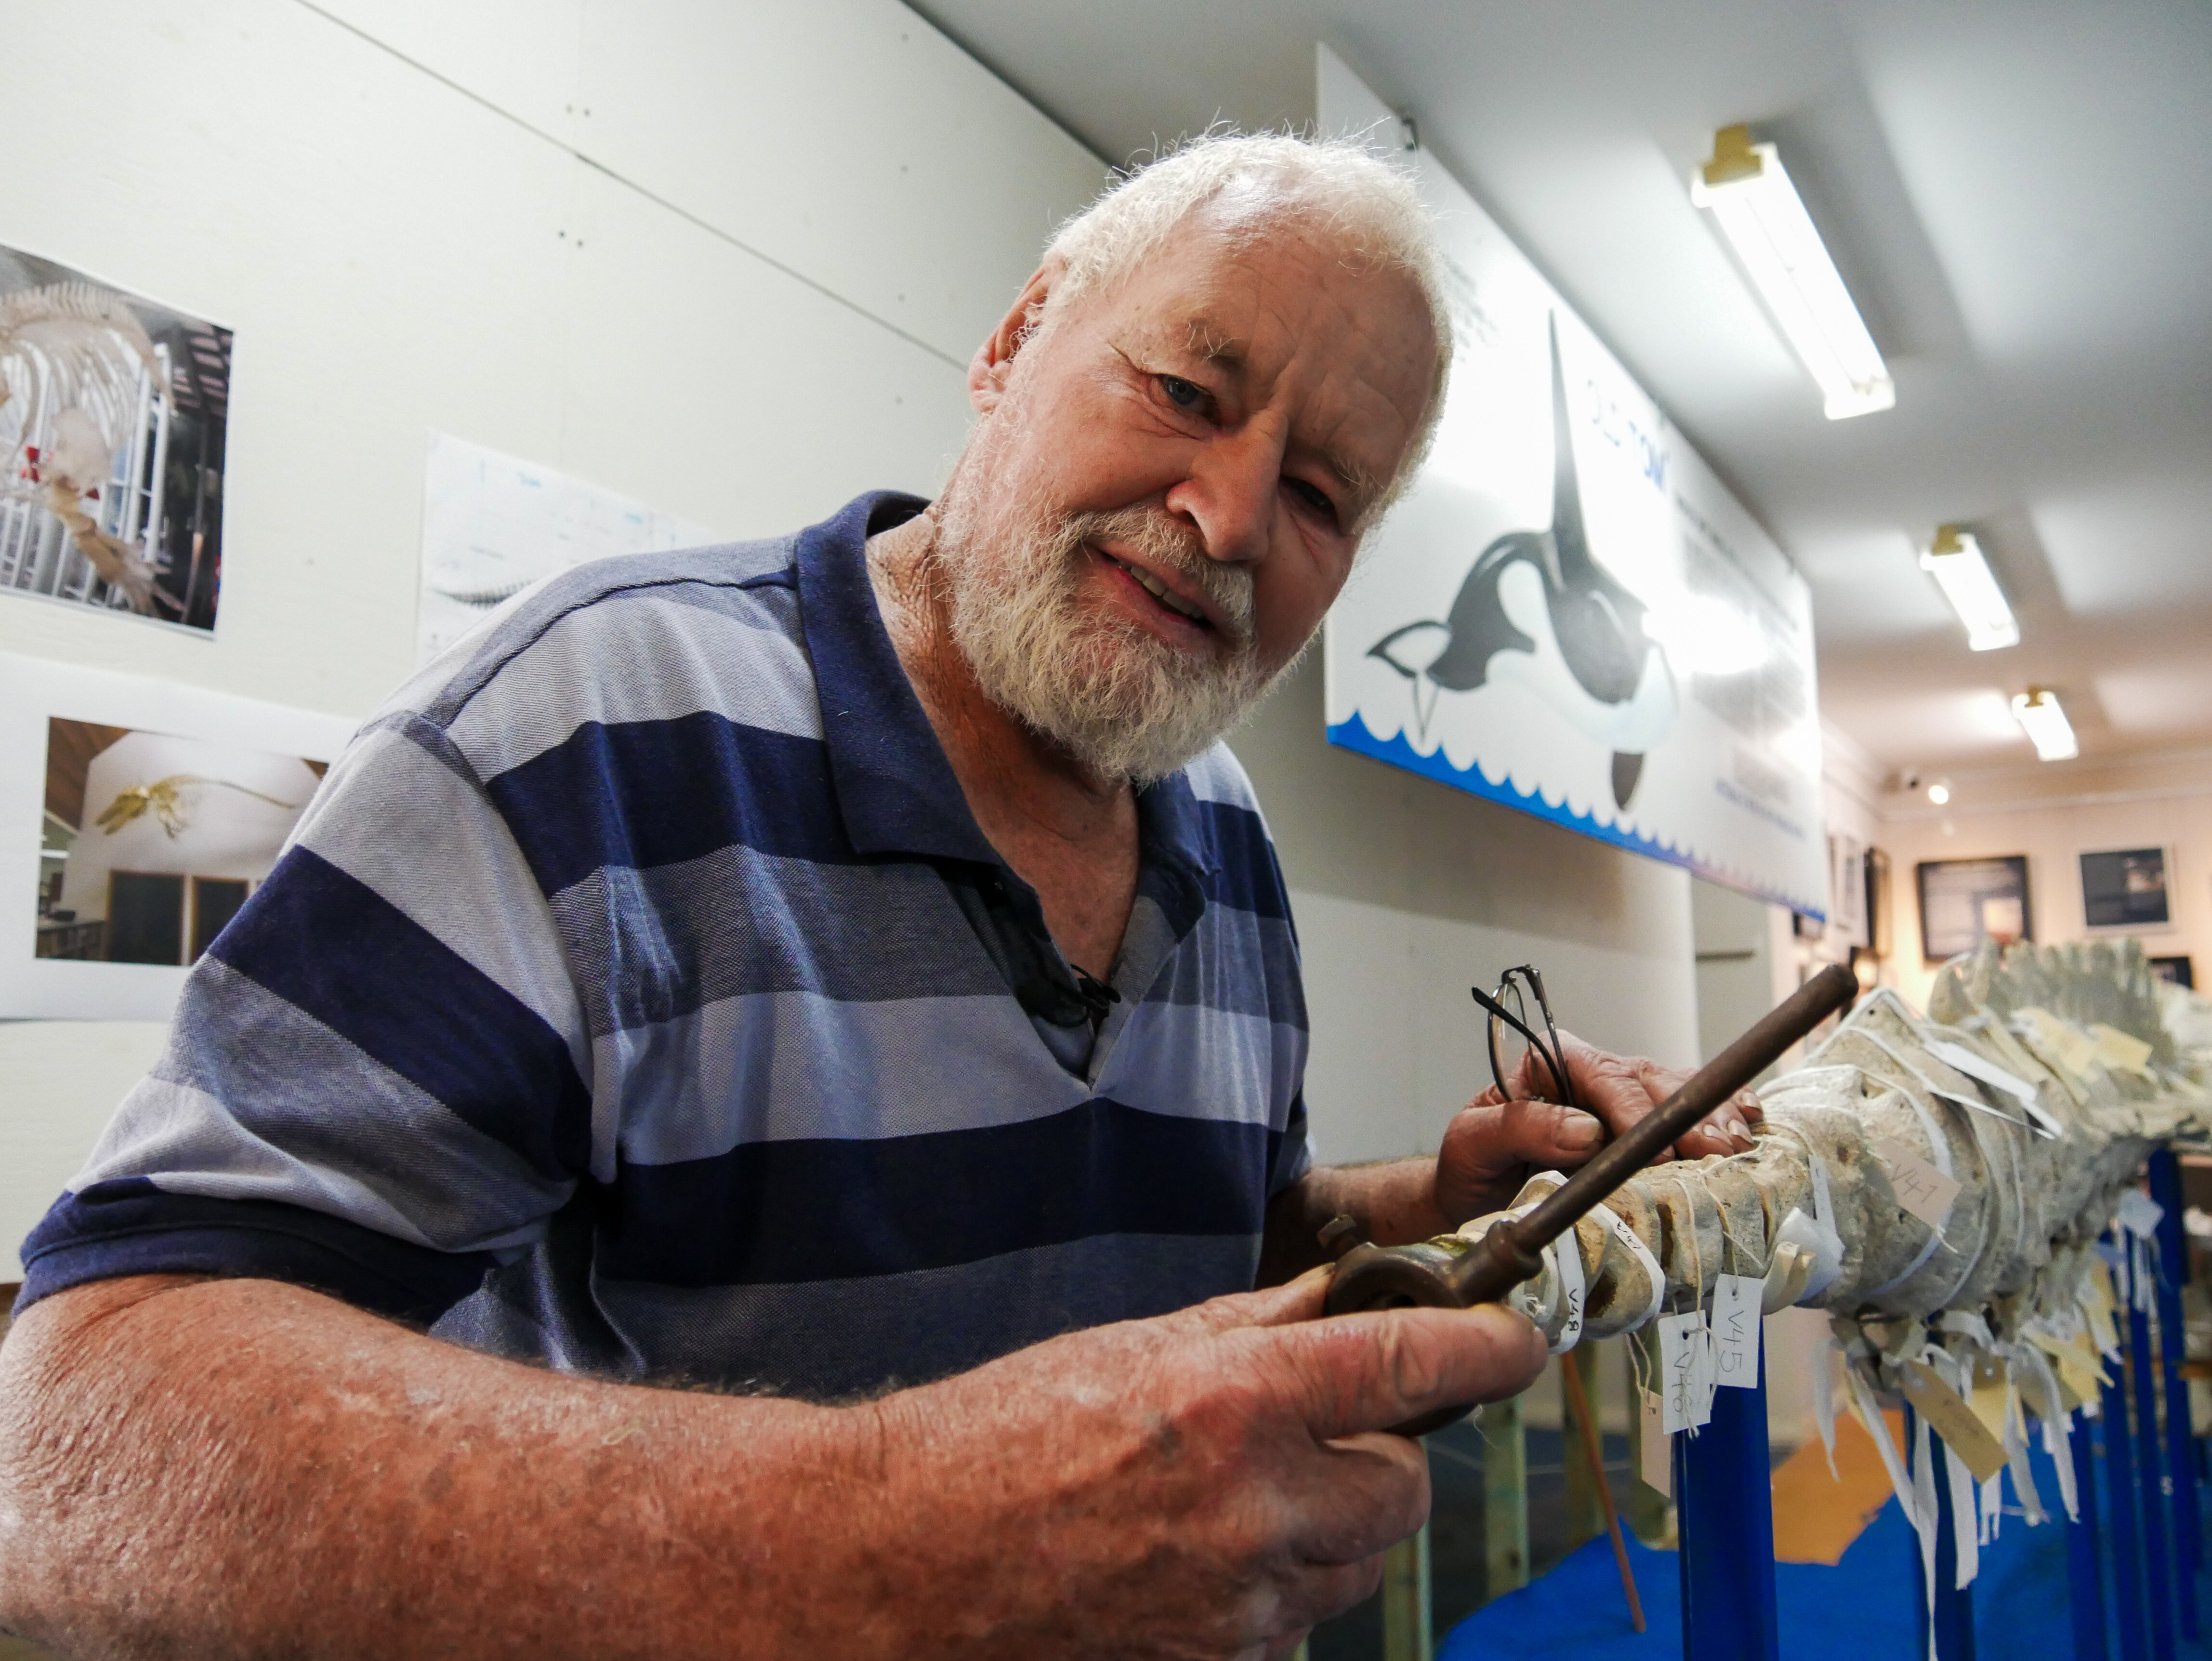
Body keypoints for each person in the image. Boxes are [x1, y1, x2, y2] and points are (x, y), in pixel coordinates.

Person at [0, 134, 1756, 1660]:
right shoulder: (581, 732)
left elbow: (1174, 1257)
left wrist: (1409, 1208)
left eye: (1317, 493)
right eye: (1188, 394)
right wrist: (904, 1538)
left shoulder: (1225, 840)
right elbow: (77, 1417)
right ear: (1013, 340)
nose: (1225, 517)